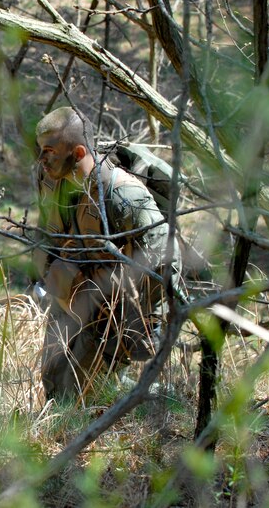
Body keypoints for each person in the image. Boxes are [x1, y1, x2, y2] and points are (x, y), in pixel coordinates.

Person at [32, 107, 180, 400]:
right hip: (69, 295)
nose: (42, 159)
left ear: (77, 152)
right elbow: (46, 236)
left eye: (49, 150)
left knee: (78, 396)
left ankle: (155, 400)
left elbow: (165, 261)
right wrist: (51, 278)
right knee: (52, 381)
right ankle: (128, 394)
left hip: (112, 312)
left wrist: (123, 315)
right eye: (41, 150)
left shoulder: (124, 196)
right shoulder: (50, 181)